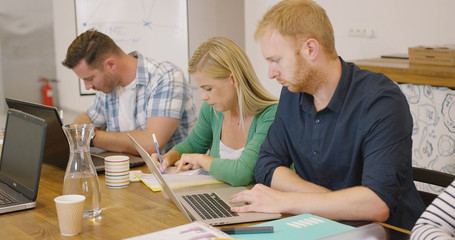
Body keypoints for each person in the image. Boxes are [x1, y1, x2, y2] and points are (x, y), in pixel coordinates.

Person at [229, 0, 425, 230]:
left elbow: (376, 204)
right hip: (324, 226)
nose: (271, 74)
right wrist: (333, 201)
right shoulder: (292, 94)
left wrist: (285, 200)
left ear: (310, 49)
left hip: (388, 233)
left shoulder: (381, 100)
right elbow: (266, 164)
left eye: (276, 60)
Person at [152, 37, 278, 187]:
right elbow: (192, 145)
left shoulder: (271, 115)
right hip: (221, 200)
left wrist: (201, 160)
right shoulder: (212, 110)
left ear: (234, 79)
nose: (203, 97)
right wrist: (167, 158)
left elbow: (241, 174)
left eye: (208, 89)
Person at [62, 29, 197, 155]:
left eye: (90, 78)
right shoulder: (108, 86)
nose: (87, 86)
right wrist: (82, 130)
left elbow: (152, 144)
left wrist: (91, 136)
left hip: (171, 176)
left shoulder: (166, 76)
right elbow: (87, 118)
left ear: (111, 65)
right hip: (128, 173)